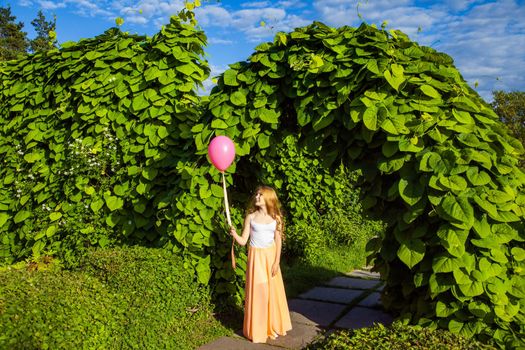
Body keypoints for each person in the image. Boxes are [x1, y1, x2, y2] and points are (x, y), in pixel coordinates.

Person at [229, 185, 293, 343]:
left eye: (260, 195)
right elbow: (244, 241)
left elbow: (278, 241)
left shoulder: (276, 217)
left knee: (272, 292)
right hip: (256, 258)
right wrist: (234, 234)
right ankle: (258, 329)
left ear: (269, 198)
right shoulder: (250, 217)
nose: (256, 197)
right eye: (256, 194)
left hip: (270, 257)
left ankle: (271, 326)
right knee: (259, 292)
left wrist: (277, 262)